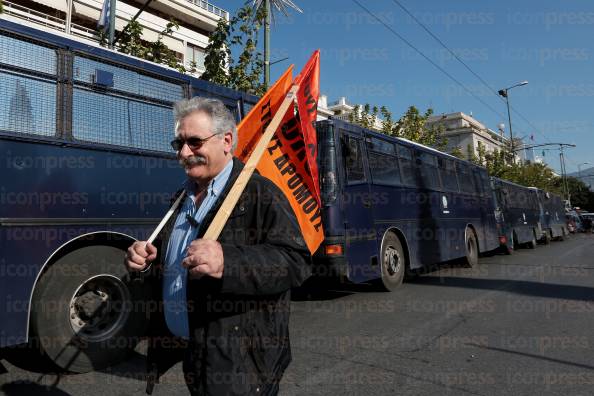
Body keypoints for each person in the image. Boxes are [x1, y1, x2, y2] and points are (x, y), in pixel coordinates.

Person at [124, 97, 311, 395]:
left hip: (242, 365)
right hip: (194, 355)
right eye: (179, 144)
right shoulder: (180, 198)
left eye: (195, 142)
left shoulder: (260, 193)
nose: (184, 153)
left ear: (226, 141)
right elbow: (173, 269)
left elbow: (295, 262)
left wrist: (228, 262)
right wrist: (145, 263)